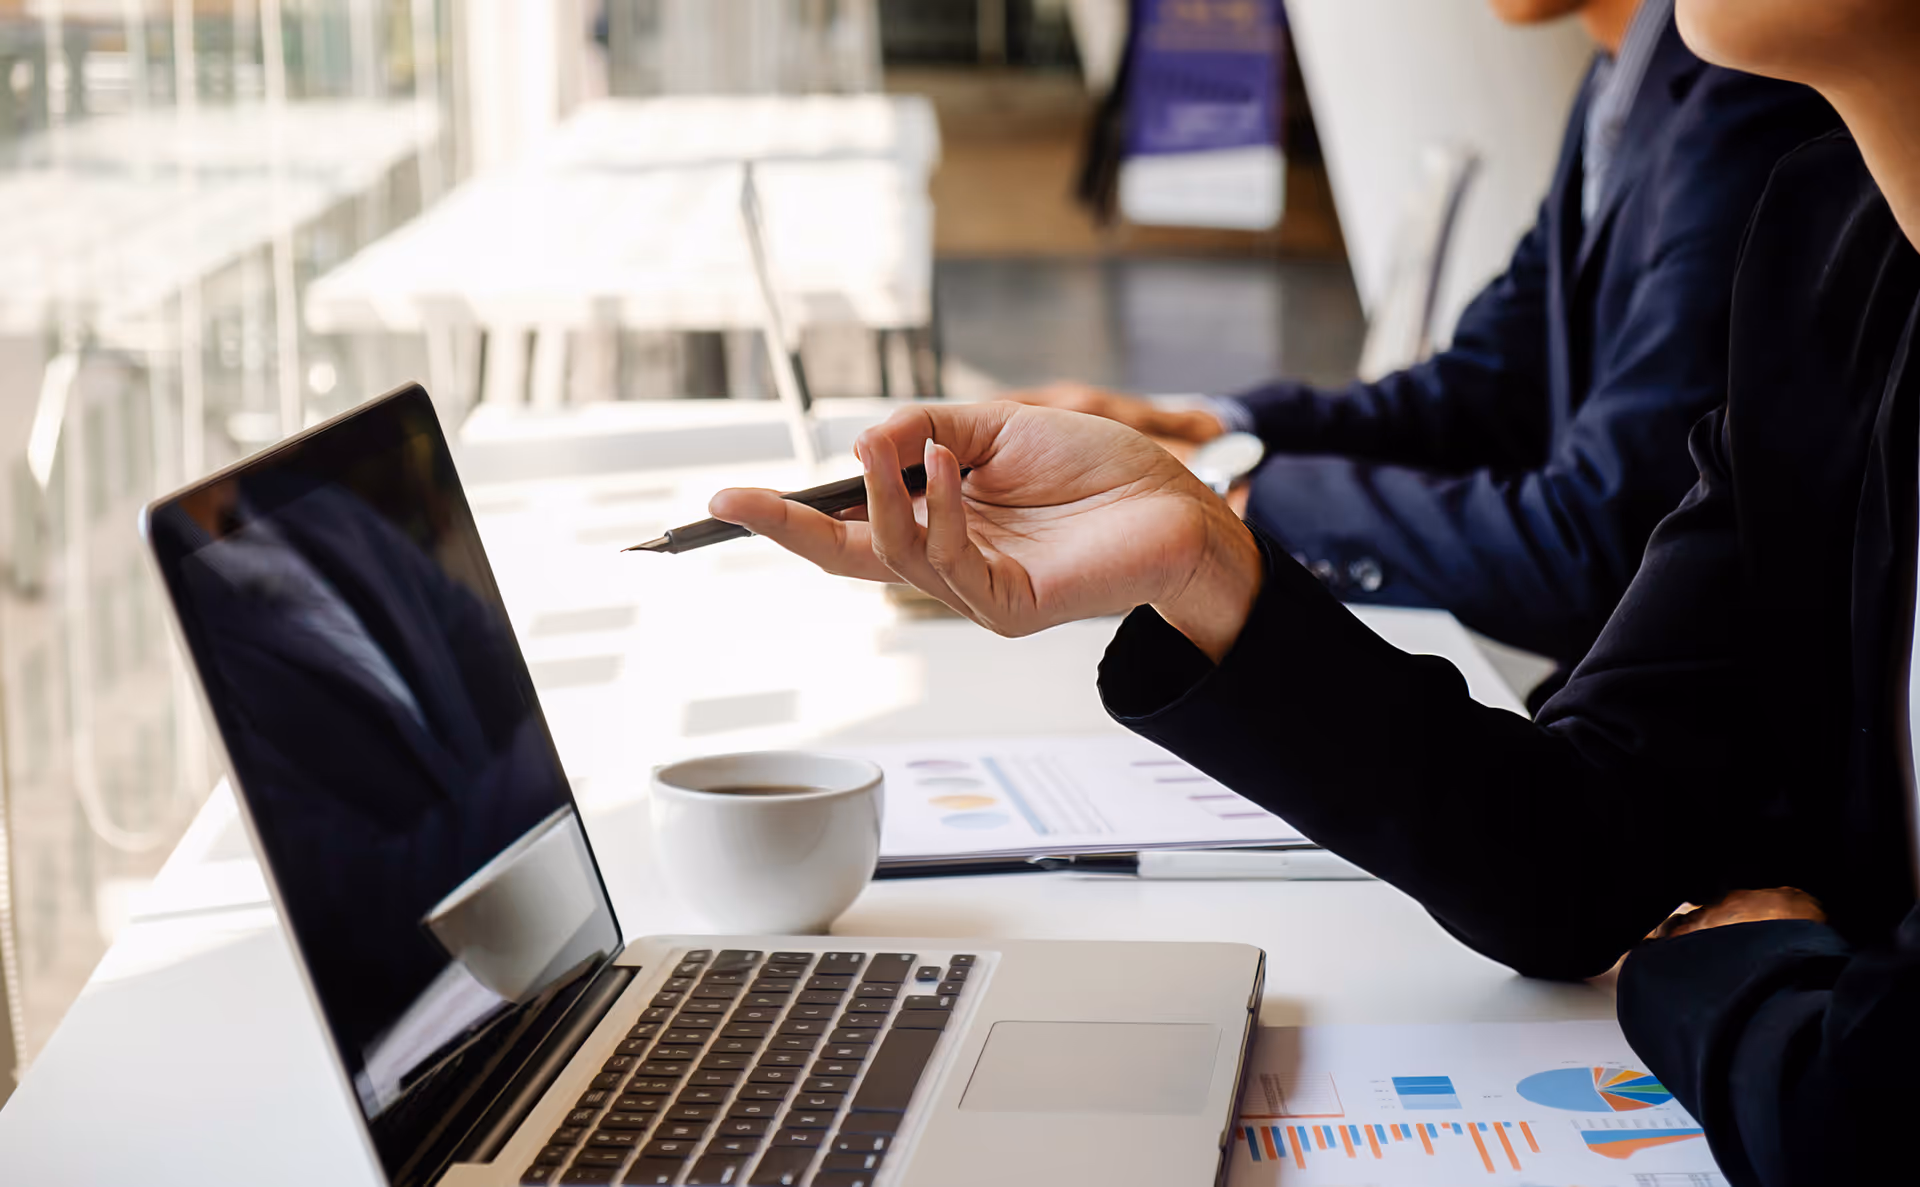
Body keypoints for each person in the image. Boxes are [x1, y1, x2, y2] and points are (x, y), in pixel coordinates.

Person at [707, 2, 1920, 1180]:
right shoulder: (1837, 248)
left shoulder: (1777, 183)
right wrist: (1201, 555)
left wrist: (1733, 970)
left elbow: (1854, 1114)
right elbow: (1571, 859)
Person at [1007, 0, 1837, 683]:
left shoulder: (1747, 89)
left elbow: (1601, 541)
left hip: (1710, 783)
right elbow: (1484, 387)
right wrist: (1209, 430)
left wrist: (1221, 504)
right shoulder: (1623, 78)